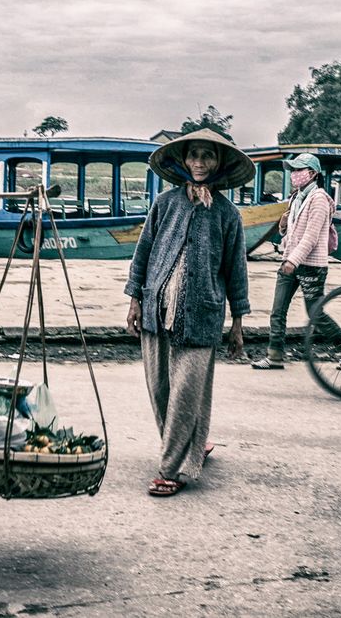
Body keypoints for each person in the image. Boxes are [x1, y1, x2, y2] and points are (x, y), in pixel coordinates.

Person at [124, 129, 252, 497]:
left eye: (207, 156)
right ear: (183, 160)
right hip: (155, 311)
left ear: (218, 163)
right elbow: (143, 254)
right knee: (161, 390)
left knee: (185, 393)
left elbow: (235, 271)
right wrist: (134, 299)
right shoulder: (165, 204)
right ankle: (193, 443)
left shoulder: (228, 215)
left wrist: (238, 322)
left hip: (202, 317)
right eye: (193, 155)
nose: (199, 162)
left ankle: (174, 468)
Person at [252, 153, 341, 370]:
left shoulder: (319, 199)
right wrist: (284, 225)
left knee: (315, 313)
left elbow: (311, 237)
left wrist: (293, 260)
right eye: (293, 170)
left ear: (312, 174)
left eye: (298, 170)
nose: (294, 174)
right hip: (290, 261)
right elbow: (292, 233)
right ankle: (275, 355)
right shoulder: (297, 198)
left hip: (311, 266)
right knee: (278, 310)